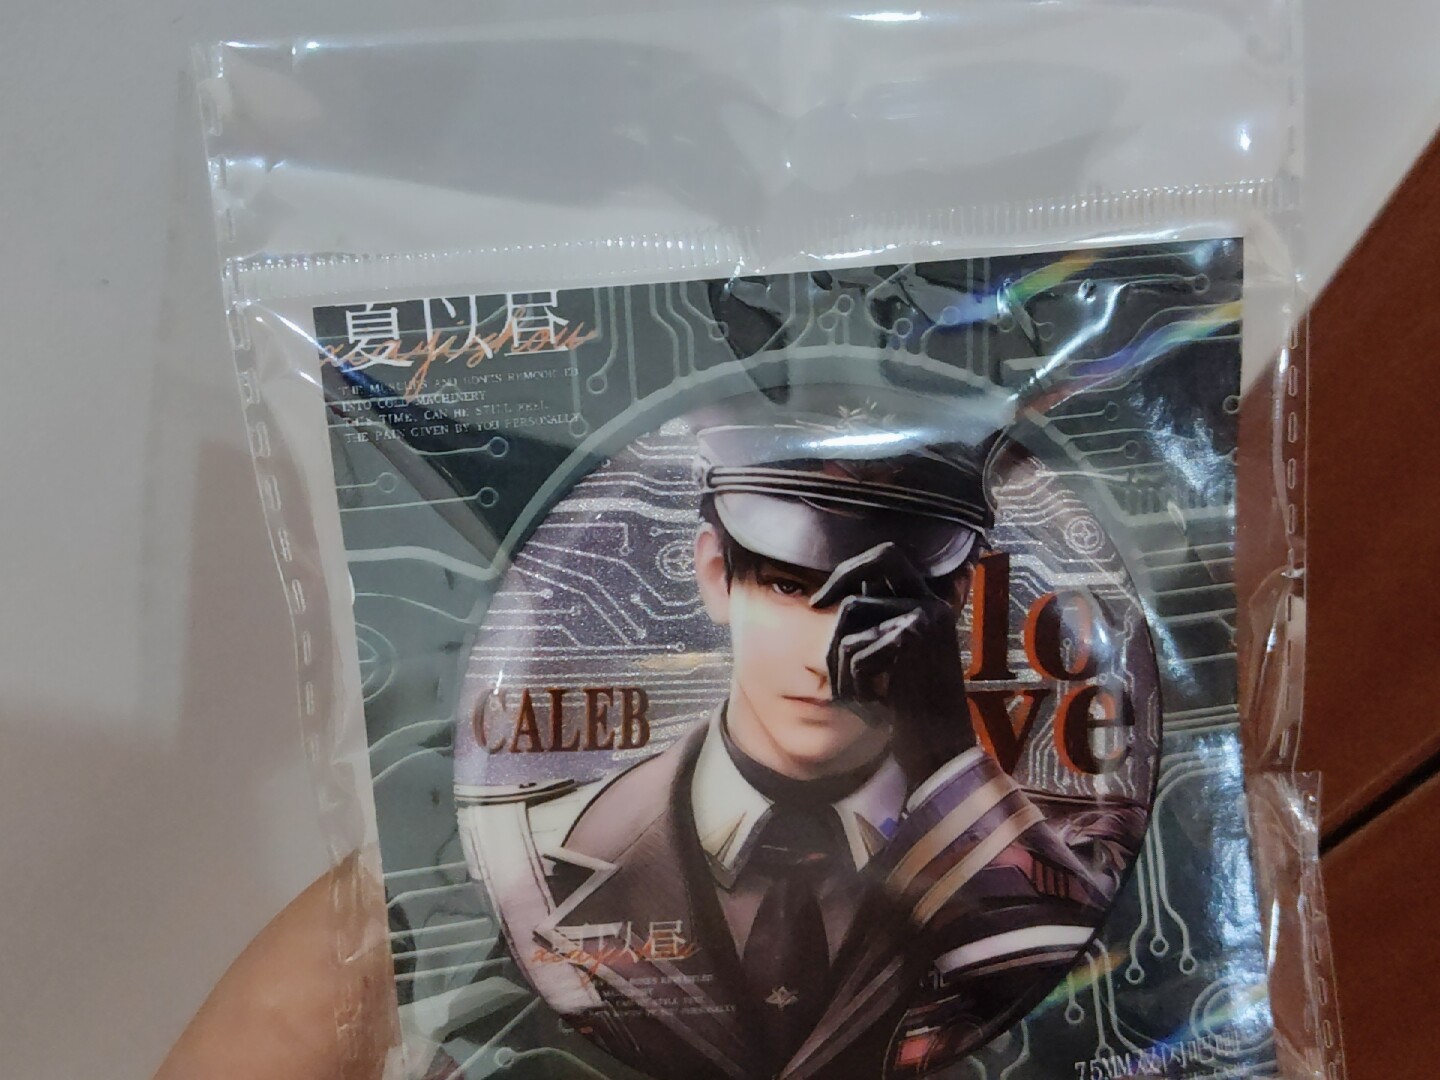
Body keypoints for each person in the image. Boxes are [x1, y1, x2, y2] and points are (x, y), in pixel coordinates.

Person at [461, 394, 1144, 1080]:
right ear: (715, 576)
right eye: (790, 587)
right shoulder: (532, 856)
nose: (828, 657)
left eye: (883, 599)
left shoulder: (1083, 851)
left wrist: (946, 763)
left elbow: (1077, 1007)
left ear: (954, 602)